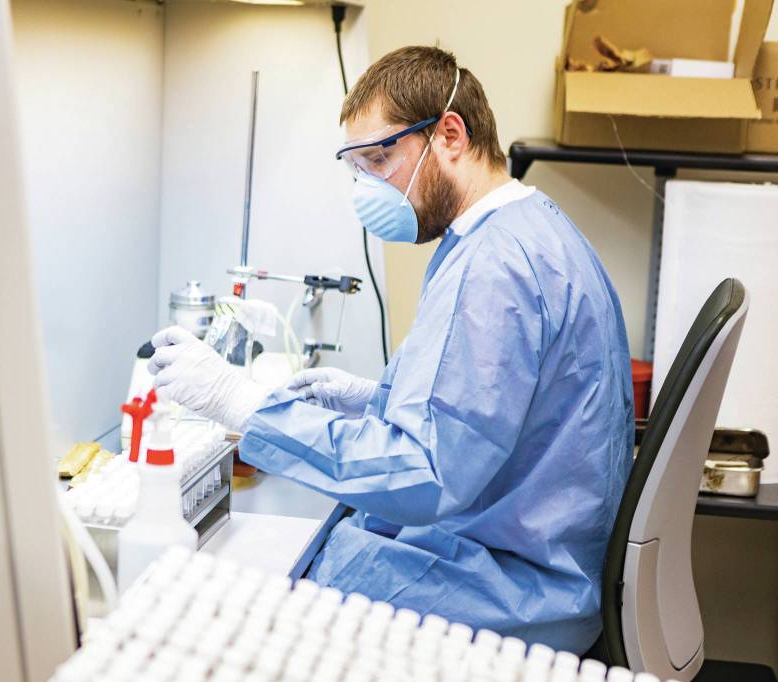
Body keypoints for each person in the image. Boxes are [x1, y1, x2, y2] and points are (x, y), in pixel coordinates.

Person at [147, 46, 633, 653]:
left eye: (381, 158)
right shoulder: (519, 229)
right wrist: (370, 399)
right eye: (358, 168)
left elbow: (426, 474)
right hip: (533, 552)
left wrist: (241, 404)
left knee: (254, 609)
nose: (369, 188)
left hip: (520, 592)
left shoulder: (494, 266)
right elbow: (494, 413)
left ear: (449, 134)